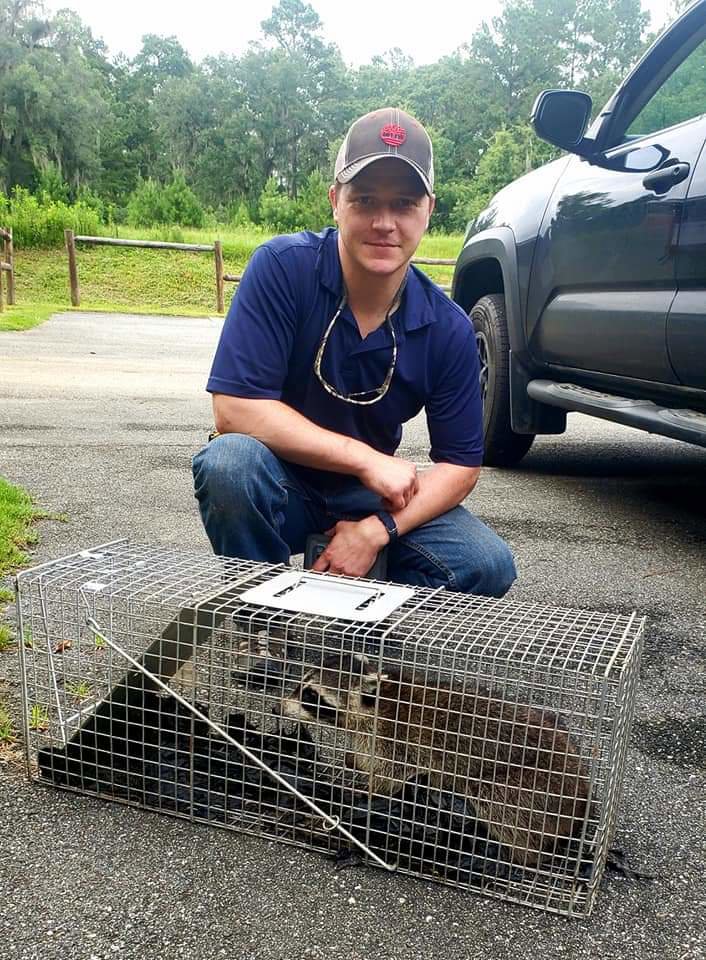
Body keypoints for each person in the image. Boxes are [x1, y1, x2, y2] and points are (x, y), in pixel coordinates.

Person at [192, 107, 516, 597]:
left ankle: (357, 638)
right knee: (229, 465)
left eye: (404, 203)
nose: (384, 222)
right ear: (335, 202)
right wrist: (365, 458)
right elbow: (234, 411)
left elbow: (460, 467)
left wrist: (376, 529)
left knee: (484, 563)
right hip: (279, 474)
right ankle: (268, 629)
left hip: (368, 499)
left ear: (429, 209)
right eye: (364, 199)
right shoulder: (281, 269)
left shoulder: (447, 328)